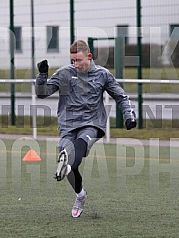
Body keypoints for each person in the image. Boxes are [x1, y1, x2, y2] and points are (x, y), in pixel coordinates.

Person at [35, 40, 136, 218]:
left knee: (75, 154)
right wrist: (42, 75)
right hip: (67, 126)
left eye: (79, 60)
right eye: (73, 60)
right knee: (69, 167)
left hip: (92, 124)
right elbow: (42, 93)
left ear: (88, 56)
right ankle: (80, 195)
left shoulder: (103, 75)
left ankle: (69, 160)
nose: (76, 64)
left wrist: (129, 115)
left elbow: (121, 96)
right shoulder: (65, 73)